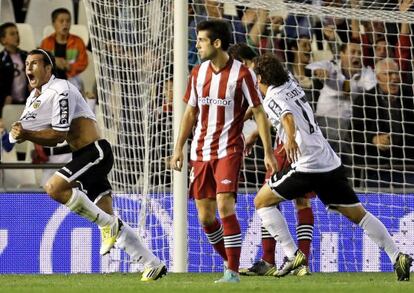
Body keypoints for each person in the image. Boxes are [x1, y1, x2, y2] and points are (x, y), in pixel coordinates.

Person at [251, 53, 412, 281]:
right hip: (330, 162)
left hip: (307, 165)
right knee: (359, 215)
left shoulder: (271, 98)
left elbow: (286, 117)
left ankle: (292, 254)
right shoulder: (290, 83)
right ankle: (398, 257)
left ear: (259, 78)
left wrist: (289, 138)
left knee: (262, 202)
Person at [10, 49, 166, 281]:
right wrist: (16, 133)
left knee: (54, 188)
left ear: (48, 69)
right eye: (27, 64)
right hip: (82, 156)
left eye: (34, 63)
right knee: (107, 215)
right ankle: (152, 263)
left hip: (96, 152)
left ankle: (108, 225)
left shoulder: (61, 88)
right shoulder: (35, 98)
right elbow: (18, 133)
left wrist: (27, 134)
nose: (28, 68)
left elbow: (59, 134)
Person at [170, 20, 277, 283]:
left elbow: (260, 112)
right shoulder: (198, 72)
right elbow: (190, 112)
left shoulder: (242, 74)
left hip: (229, 149)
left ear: (217, 43)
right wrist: (178, 149)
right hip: (200, 151)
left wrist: (268, 151)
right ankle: (232, 265)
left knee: (224, 205)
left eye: (201, 40)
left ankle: (231, 270)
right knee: (206, 217)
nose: (197, 45)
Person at [229, 43, 314, 277]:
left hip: (287, 144)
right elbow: (270, 112)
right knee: (301, 201)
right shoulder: (279, 74)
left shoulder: (259, 78)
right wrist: (255, 133)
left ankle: (269, 259)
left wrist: (237, 126)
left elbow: (266, 110)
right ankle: (302, 263)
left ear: (244, 62)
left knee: (266, 200)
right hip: (307, 142)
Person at [351, 58, 414, 188]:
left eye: (396, 73)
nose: (395, 77)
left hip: (408, 165)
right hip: (376, 168)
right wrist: (373, 139)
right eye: (389, 74)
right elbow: (352, 134)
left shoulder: (409, 96)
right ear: (378, 78)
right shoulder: (364, 100)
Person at [40, 8, 88, 91]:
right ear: (54, 23)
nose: (65, 24)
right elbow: (41, 63)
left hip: (72, 77)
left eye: (68, 21)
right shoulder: (46, 42)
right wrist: (54, 62)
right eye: (61, 21)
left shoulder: (78, 41)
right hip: (51, 78)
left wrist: (69, 66)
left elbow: (83, 62)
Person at [0, 22, 29, 116]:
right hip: (7, 103)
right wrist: (5, 96)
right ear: (3, 40)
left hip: (26, 101)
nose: (16, 36)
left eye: (17, 33)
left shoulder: (27, 56)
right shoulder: (1, 59)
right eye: (12, 34)